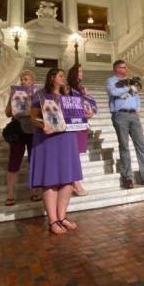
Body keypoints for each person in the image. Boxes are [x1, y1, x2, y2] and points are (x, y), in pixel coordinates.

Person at [28, 68, 83, 235]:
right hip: (48, 140)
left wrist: (86, 116)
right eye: (60, 75)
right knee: (50, 179)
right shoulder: (40, 95)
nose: (63, 78)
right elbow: (33, 117)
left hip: (67, 139)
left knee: (68, 179)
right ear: (52, 78)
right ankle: (53, 220)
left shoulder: (70, 95)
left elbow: (79, 114)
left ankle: (62, 217)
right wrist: (42, 125)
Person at [106, 60, 144, 189]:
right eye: (123, 67)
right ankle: (128, 178)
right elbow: (113, 92)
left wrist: (138, 106)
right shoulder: (111, 81)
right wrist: (127, 88)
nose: (126, 69)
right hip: (120, 115)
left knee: (141, 145)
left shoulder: (130, 81)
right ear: (116, 68)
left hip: (134, 116)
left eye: (126, 67)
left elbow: (136, 95)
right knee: (124, 146)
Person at [4, 70, 40, 206]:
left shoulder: (37, 94)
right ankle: (10, 195)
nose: (23, 82)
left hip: (33, 130)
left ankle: (34, 192)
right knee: (14, 162)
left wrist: (31, 100)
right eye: (22, 79)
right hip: (18, 130)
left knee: (34, 162)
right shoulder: (15, 93)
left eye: (26, 79)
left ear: (32, 82)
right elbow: (7, 113)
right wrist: (12, 102)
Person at [67, 64, 94, 197]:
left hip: (82, 123)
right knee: (73, 155)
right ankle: (75, 183)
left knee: (76, 155)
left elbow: (86, 105)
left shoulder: (81, 89)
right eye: (79, 71)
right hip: (73, 125)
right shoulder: (67, 89)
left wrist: (90, 111)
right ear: (74, 73)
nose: (82, 73)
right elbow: (69, 106)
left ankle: (74, 183)